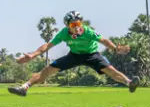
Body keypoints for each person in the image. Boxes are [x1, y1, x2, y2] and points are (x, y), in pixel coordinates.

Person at [8, 11, 139, 96]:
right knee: (47, 70)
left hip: (92, 55)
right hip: (74, 55)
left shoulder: (87, 31)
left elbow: (104, 40)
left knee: (110, 70)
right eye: (73, 24)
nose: (77, 26)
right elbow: (48, 45)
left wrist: (115, 48)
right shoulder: (64, 33)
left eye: (78, 23)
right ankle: (24, 88)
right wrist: (33, 55)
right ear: (67, 25)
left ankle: (129, 83)